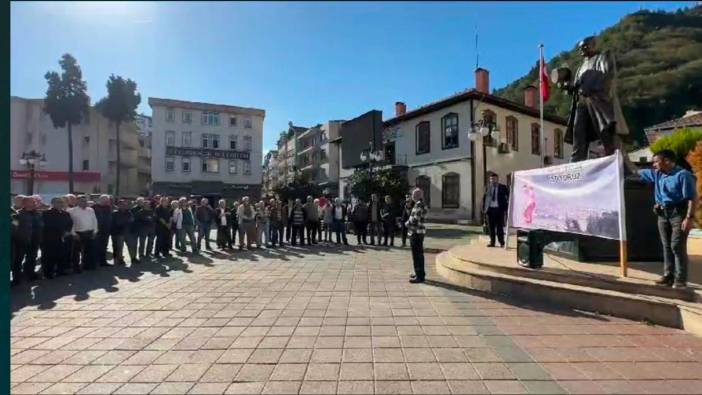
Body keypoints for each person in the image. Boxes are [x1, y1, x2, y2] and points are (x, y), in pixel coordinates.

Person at [638, 150, 697, 289]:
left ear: (667, 161)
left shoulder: (683, 175)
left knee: (676, 245)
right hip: (662, 214)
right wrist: (622, 156)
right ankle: (668, 276)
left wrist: (689, 218)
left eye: (656, 161)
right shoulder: (658, 174)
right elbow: (636, 171)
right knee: (666, 246)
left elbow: (692, 198)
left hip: (679, 214)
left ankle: (680, 280)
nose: (653, 165)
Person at [12, 196, 42, 284]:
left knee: (32, 258)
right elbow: (14, 228)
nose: (34, 203)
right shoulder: (17, 215)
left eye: (34, 202)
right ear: (24, 203)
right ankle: (16, 278)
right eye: (31, 202)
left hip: (35, 240)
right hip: (22, 241)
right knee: (18, 260)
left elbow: (41, 225)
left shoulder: (38, 214)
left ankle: (30, 274)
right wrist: (19, 237)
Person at [41, 197, 73, 278]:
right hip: (50, 238)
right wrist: (60, 231)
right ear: (53, 204)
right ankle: (48, 273)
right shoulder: (46, 213)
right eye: (58, 202)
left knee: (62, 254)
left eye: (62, 202)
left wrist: (67, 231)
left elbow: (70, 223)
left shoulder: (66, 213)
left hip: (63, 238)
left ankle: (60, 270)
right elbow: (47, 225)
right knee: (50, 256)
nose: (60, 204)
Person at [68, 195, 98, 272]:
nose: (84, 202)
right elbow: (70, 224)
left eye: (85, 201)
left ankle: (87, 265)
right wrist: (74, 234)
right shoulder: (71, 211)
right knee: (76, 252)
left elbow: (94, 221)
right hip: (78, 233)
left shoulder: (91, 210)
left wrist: (95, 231)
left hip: (90, 232)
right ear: (77, 201)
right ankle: (76, 267)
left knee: (89, 250)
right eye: (82, 201)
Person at [482, 172, 510, 248]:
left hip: (499, 210)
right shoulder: (488, 188)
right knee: (491, 227)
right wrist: (484, 209)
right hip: (490, 210)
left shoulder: (503, 187)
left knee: (500, 227)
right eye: (491, 179)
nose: (492, 180)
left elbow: (509, 196)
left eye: (494, 179)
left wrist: (506, 206)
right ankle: (492, 242)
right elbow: (484, 199)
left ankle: (502, 242)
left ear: (497, 179)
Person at [406, 188, 428, 283]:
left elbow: (415, 219)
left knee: (417, 255)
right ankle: (419, 273)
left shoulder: (419, 204)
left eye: (413, 195)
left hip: (416, 232)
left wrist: (406, 223)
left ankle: (419, 276)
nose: (412, 196)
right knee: (419, 254)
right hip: (418, 232)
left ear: (417, 196)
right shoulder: (420, 204)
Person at [111, 199, 136, 265]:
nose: (124, 206)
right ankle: (120, 259)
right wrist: (126, 221)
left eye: (125, 205)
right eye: (122, 205)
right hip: (119, 233)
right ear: (118, 205)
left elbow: (132, 220)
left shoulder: (129, 212)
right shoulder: (115, 213)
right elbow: (117, 222)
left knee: (131, 246)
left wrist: (126, 221)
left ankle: (133, 258)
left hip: (128, 232)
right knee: (120, 247)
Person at [93, 194, 113, 267]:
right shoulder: (94, 207)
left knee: (104, 246)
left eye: (107, 201)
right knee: (96, 246)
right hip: (97, 231)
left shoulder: (108, 208)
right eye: (104, 200)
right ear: (100, 200)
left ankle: (103, 261)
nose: (106, 202)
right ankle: (95, 261)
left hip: (106, 230)